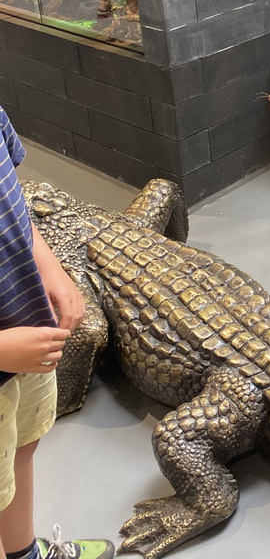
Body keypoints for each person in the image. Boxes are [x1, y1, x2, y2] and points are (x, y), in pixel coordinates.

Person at [0, 105, 115, 559]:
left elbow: (15, 207)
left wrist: (49, 265)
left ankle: (24, 552)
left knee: (22, 449)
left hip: (27, 331)